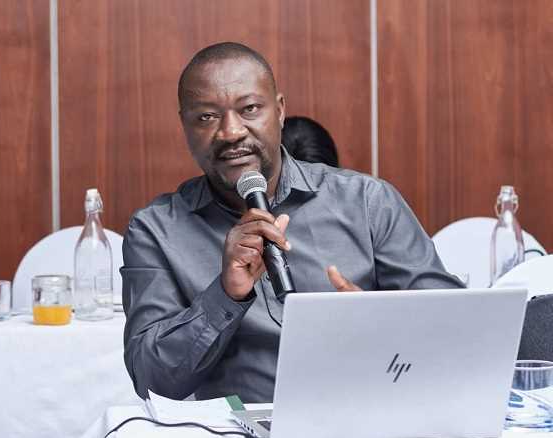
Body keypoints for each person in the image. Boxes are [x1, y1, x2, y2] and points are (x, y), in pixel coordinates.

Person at [121, 42, 463, 403]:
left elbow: (459, 332)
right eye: (206, 117)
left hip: (369, 417)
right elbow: (151, 380)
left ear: (280, 111)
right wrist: (225, 294)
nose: (231, 132)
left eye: (249, 109)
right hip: (242, 432)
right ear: (185, 126)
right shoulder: (156, 231)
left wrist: (376, 323)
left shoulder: (367, 202)